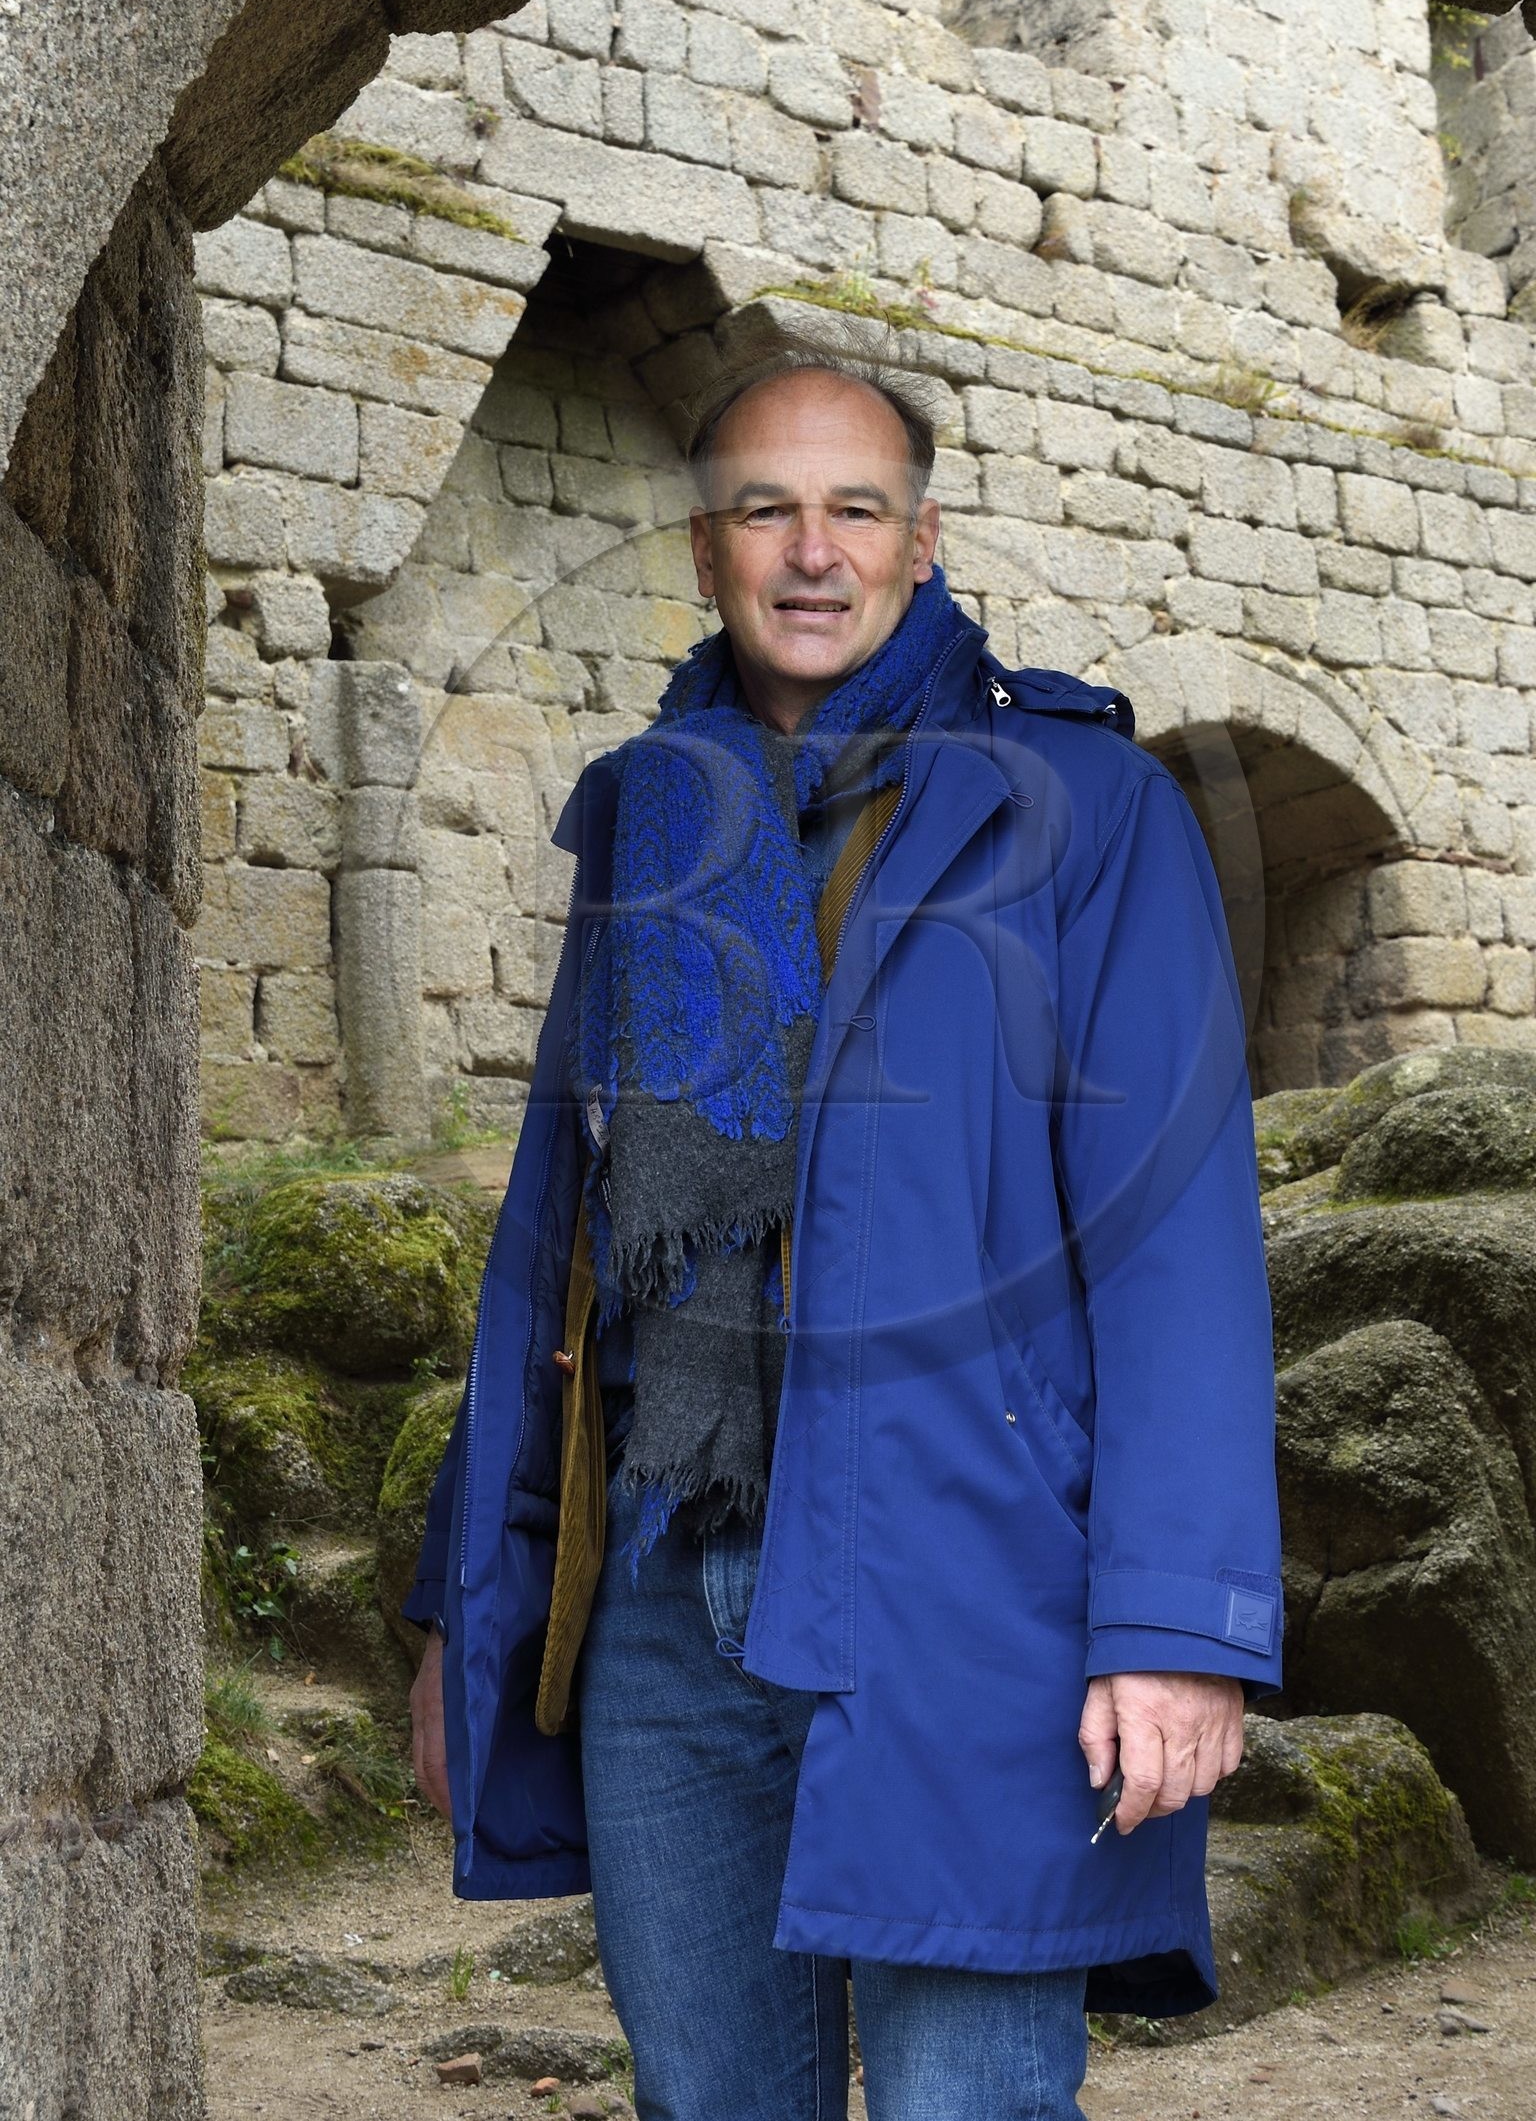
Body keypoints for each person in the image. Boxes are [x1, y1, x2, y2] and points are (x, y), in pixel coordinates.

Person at [405, 351, 1282, 2121]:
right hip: (664, 1587)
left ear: (920, 540)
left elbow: (1178, 1243)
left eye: (856, 510)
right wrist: (464, 1601)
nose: (813, 552)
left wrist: (1177, 1623)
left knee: (973, 2099)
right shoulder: (648, 815)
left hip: (970, 1580)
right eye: (767, 510)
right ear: (706, 547)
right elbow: (557, 1237)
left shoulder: (1087, 805)